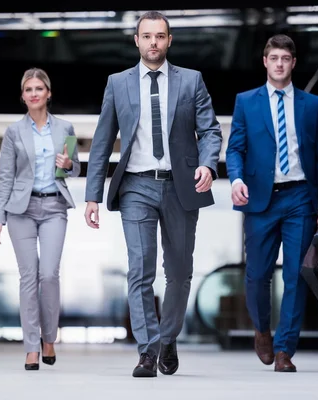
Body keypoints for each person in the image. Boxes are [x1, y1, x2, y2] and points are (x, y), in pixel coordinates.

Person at [84, 11, 222, 378]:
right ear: (136, 40)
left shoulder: (192, 81)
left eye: (160, 36)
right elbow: (101, 143)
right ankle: (147, 350)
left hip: (181, 186)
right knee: (139, 270)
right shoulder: (118, 83)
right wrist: (92, 195)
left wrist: (208, 165)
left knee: (178, 271)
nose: (153, 43)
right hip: (136, 186)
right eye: (147, 36)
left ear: (169, 40)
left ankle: (168, 336)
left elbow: (210, 131)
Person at [226, 34, 318, 373]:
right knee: (257, 275)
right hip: (260, 199)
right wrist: (237, 178)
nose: (278, 64)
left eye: (285, 58)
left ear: (293, 63)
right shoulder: (246, 101)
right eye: (273, 57)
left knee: (296, 275)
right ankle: (262, 330)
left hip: (300, 197)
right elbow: (235, 149)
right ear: (265, 61)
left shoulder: (312, 105)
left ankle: (285, 349)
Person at [0, 68, 80, 371]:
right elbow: (6, 177)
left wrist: (67, 164)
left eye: (38, 88)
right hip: (21, 210)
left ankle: (49, 339)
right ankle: (31, 346)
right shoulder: (14, 131)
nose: (33, 94)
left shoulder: (65, 128)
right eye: (28, 89)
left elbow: (75, 169)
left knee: (49, 275)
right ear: (22, 96)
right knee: (28, 277)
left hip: (55, 207)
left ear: (48, 93)